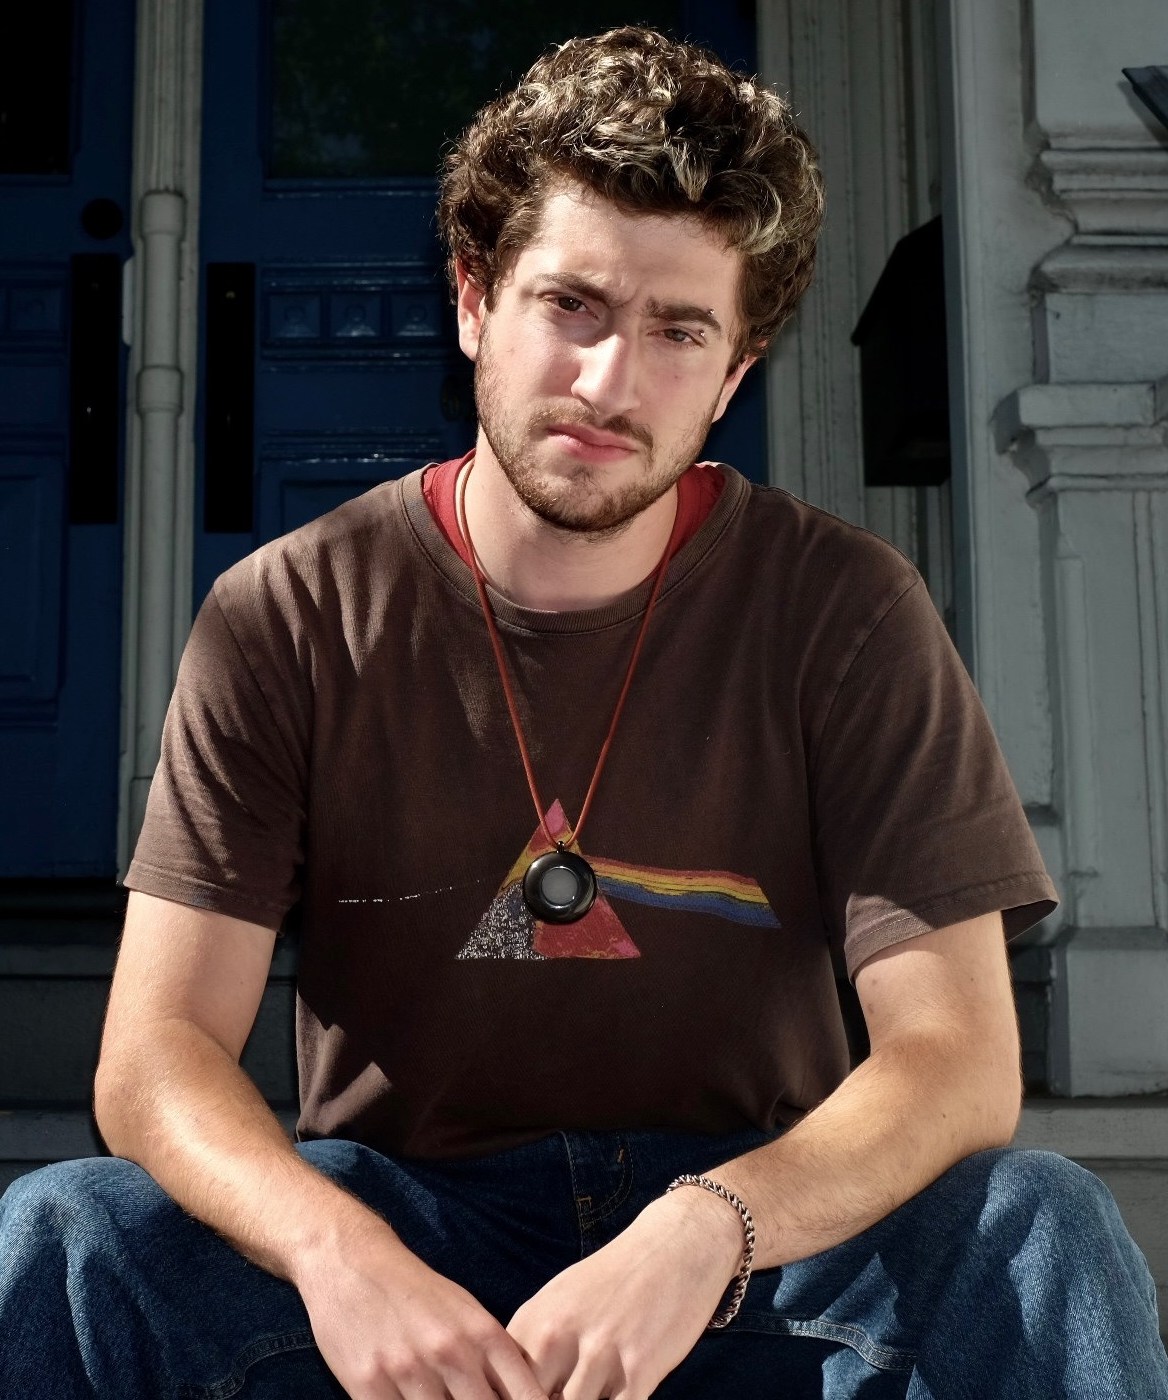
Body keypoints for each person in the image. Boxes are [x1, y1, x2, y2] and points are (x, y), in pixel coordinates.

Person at [2, 25, 1166, 1400]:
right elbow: (153, 1058)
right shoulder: (291, 613)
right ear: (474, 301)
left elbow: (957, 1061)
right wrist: (338, 1251)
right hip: (408, 1236)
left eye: (679, 332)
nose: (612, 385)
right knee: (70, 1237)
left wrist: (708, 1228)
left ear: (736, 377)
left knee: (1044, 1229)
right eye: (573, 307)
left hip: (755, 1247)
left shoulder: (846, 608)